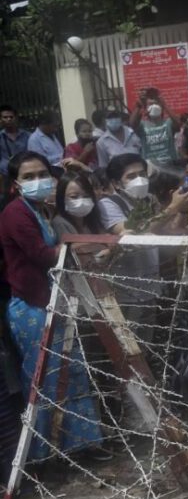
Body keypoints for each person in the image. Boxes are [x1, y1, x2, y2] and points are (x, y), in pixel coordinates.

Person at [0, 151, 107, 462]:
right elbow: (42, 254)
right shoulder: (15, 213)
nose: (37, 181)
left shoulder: (39, 210)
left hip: (52, 300)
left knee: (70, 371)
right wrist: (82, 246)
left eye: (41, 175)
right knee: (45, 377)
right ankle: (47, 454)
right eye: (28, 177)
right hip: (32, 307)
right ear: (16, 184)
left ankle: (78, 446)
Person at [99, 153, 188, 347]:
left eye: (142, 174)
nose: (139, 180)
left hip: (150, 285)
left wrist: (182, 209)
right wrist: (172, 208)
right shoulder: (108, 204)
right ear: (117, 183)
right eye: (131, 176)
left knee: (147, 344)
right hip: (125, 290)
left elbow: (166, 231)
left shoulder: (149, 201)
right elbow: (131, 235)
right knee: (128, 347)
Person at [130, 90, 180, 166]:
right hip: (151, 167)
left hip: (170, 166)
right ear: (146, 108)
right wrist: (138, 106)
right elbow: (132, 124)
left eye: (156, 103)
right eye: (150, 104)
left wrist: (165, 105)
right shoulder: (142, 125)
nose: (154, 106)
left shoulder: (168, 123)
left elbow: (178, 123)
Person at [53, 171, 103, 238]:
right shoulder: (60, 223)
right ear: (61, 198)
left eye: (86, 196)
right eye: (74, 197)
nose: (81, 201)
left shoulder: (91, 220)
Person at [0, 106, 30, 178]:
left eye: (11, 117)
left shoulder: (27, 136)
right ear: (0, 119)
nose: (9, 119)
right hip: (5, 174)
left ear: (16, 118)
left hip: (26, 172)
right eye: (5, 117)